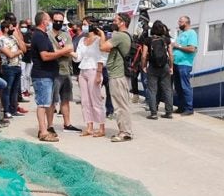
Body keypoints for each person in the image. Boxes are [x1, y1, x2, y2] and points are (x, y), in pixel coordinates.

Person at [29, 11, 75, 142]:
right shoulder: (40, 36)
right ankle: (43, 131)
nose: (51, 23)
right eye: (49, 20)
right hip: (42, 75)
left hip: (48, 74)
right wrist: (63, 51)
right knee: (43, 104)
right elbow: (45, 56)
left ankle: (44, 129)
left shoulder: (42, 35)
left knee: (47, 102)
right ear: (44, 22)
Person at [98, 13, 134, 142]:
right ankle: (124, 130)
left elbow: (102, 47)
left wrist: (102, 35)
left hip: (117, 74)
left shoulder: (119, 35)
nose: (113, 22)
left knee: (120, 105)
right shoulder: (126, 36)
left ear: (122, 22)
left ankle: (125, 132)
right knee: (121, 104)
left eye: (115, 20)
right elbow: (109, 49)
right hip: (120, 73)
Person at [74, 21, 107, 137]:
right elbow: (78, 57)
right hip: (83, 70)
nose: (84, 26)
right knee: (85, 100)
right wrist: (70, 53)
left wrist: (99, 73)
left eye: (85, 23)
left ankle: (102, 127)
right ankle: (89, 126)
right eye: (83, 24)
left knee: (96, 100)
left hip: (94, 70)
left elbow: (103, 56)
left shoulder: (99, 40)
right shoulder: (82, 40)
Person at [50, 11, 81, 133]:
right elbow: (52, 51)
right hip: (54, 71)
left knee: (66, 99)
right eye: (56, 21)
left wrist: (61, 51)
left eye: (60, 21)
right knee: (52, 100)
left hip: (66, 70)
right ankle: (50, 125)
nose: (58, 23)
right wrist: (64, 51)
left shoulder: (66, 34)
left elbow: (70, 48)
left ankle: (67, 124)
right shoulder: (48, 35)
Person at [140, 20, 174, 120]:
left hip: (152, 67)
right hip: (164, 67)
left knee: (152, 90)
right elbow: (171, 55)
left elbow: (143, 56)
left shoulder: (148, 40)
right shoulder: (167, 40)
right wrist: (171, 67)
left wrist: (144, 66)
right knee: (167, 89)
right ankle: (168, 112)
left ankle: (153, 113)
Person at [0, 18, 25, 119]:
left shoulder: (13, 38)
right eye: (11, 28)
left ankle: (14, 109)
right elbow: (10, 54)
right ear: (5, 29)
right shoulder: (1, 40)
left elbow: (24, 49)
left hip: (17, 66)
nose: (13, 30)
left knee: (15, 90)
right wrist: (19, 52)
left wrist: (18, 37)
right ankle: (7, 111)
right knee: (7, 90)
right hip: (8, 67)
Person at [172, 15, 198, 115]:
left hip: (184, 64)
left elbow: (192, 49)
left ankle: (189, 108)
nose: (179, 23)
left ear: (186, 23)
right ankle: (181, 107)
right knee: (178, 87)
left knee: (185, 86)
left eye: (181, 22)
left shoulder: (191, 33)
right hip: (176, 63)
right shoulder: (181, 34)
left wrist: (177, 46)